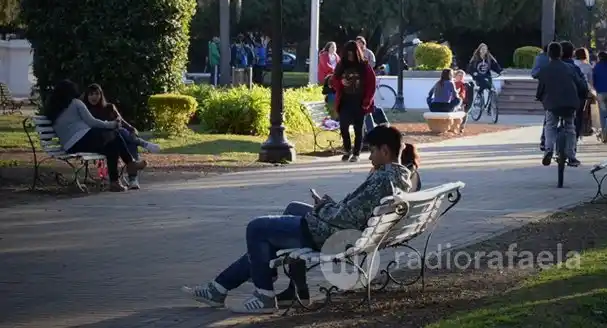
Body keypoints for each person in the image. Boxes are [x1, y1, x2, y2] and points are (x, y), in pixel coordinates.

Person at [182, 124, 414, 314]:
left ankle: (263, 293)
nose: (369, 156)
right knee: (292, 209)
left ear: (385, 151)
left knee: (257, 228)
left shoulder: (382, 180)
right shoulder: (397, 176)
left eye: (372, 151)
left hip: (332, 234)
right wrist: (327, 205)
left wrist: (323, 207)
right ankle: (284, 285)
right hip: (346, 230)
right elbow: (352, 212)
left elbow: (346, 217)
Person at [45, 80, 145, 192]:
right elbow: (92, 122)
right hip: (83, 138)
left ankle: (115, 182)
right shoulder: (75, 103)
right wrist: (111, 124)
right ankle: (129, 164)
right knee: (114, 135)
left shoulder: (53, 110)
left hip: (70, 147)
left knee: (111, 146)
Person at [83, 83, 161, 189]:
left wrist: (131, 128)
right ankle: (137, 157)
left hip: (115, 137)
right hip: (100, 141)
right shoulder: (85, 111)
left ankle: (132, 178)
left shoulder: (109, 107)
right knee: (122, 136)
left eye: (97, 94)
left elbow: (121, 120)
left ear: (101, 95)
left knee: (127, 138)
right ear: (87, 96)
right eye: (91, 94)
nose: (94, 97)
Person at [535, 42, 586, 167]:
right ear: (561, 53)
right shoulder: (571, 68)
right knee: (570, 127)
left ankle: (548, 150)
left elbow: (540, 89)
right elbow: (581, 85)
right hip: (570, 103)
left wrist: (539, 97)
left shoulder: (545, 70)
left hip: (552, 104)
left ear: (548, 55)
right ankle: (572, 156)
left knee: (550, 126)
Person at [332, 40, 377, 162]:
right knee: (344, 126)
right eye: (348, 54)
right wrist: (340, 83)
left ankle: (356, 153)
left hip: (359, 101)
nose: (350, 57)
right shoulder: (342, 65)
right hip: (345, 101)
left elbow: (371, 84)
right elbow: (333, 80)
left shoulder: (364, 66)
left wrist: (367, 101)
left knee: (358, 128)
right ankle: (347, 150)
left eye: (352, 54)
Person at [574, 48, 595, 138]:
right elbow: (591, 81)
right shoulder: (588, 66)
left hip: (573, 89)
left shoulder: (573, 64)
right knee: (582, 112)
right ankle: (579, 132)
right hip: (583, 91)